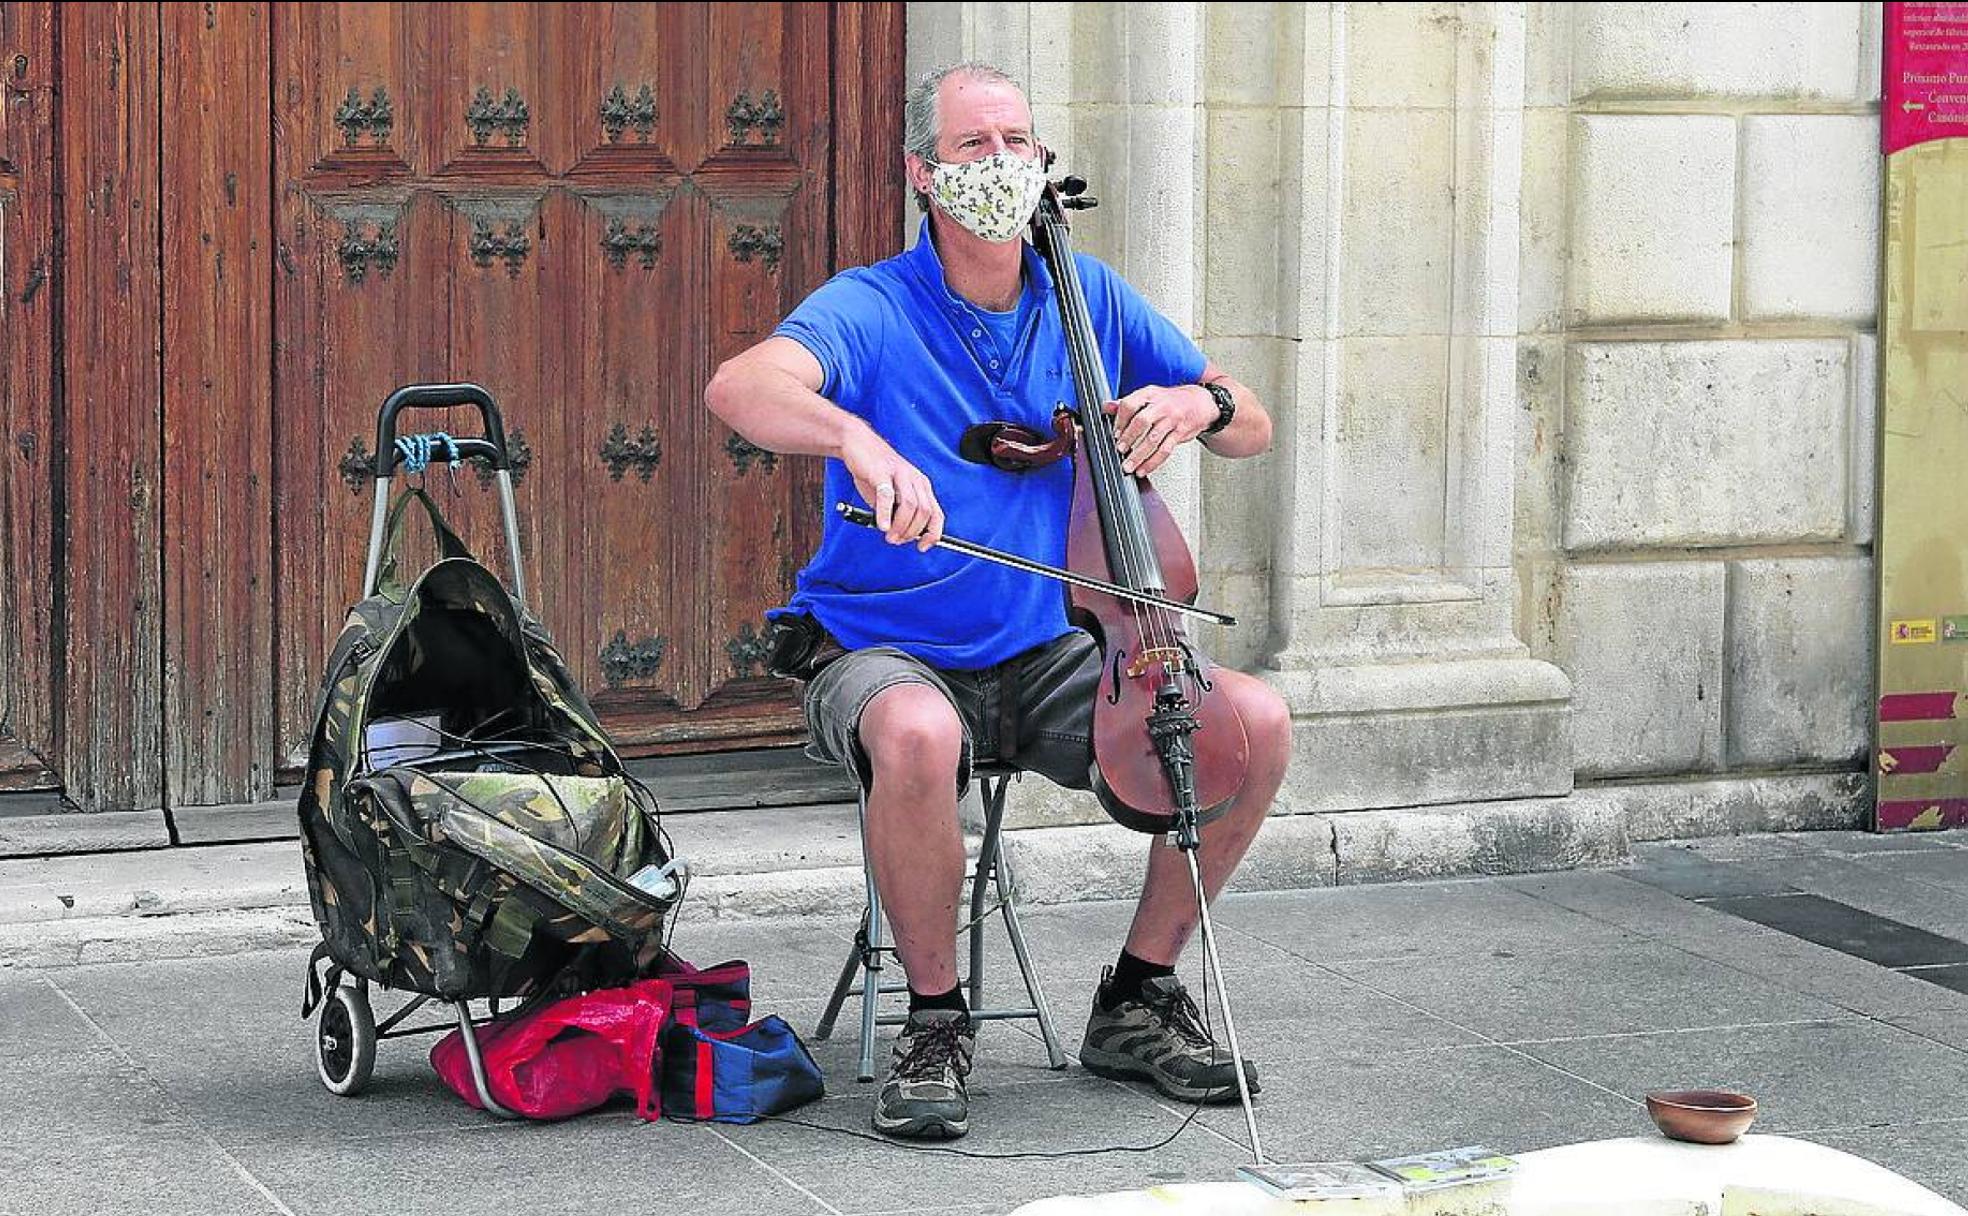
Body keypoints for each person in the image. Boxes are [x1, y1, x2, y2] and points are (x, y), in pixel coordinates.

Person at [704, 61, 1292, 1141]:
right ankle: (936, 1020)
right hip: (882, 650)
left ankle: (1137, 996)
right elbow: (739, 386)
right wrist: (855, 435)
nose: (1002, 163)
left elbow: (1251, 419)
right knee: (920, 731)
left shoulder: (1088, 295)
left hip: (1052, 648)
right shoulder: (872, 305)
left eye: (1018, 140)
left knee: (1251, 721)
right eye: (975, 146)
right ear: (925, 174)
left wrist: (1195, 400)